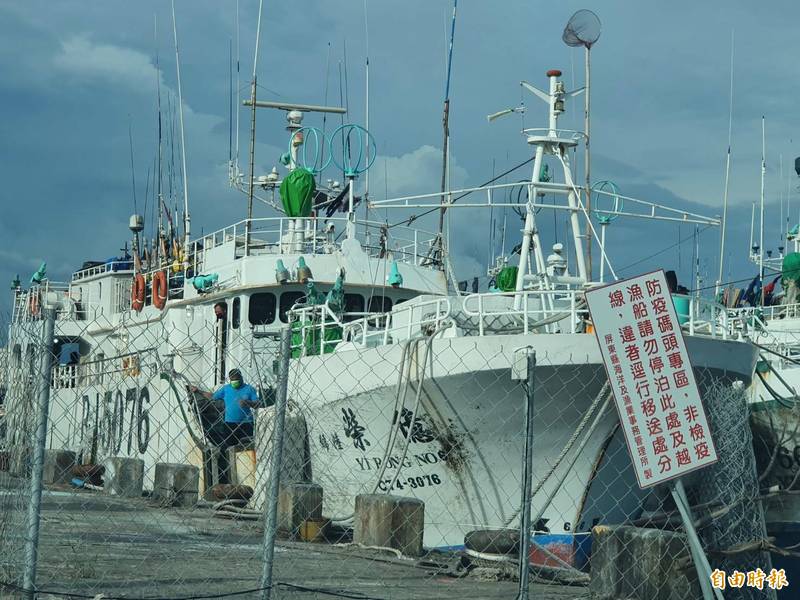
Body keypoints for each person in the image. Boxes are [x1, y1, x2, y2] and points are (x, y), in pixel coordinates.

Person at [191, 368, 261, 484]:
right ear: (230, 380)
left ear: (241, 378)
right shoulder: (226, 389)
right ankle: (229, 479)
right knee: (227, 450)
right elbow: (212, 396)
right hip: (230, 425)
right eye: (232, 380)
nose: (235, 382)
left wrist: (247, 403)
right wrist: (198, 391)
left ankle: (248, 478)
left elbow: (258, 404)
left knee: (246, 450)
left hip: (246, 424)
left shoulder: (249, 389)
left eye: (237, 379)